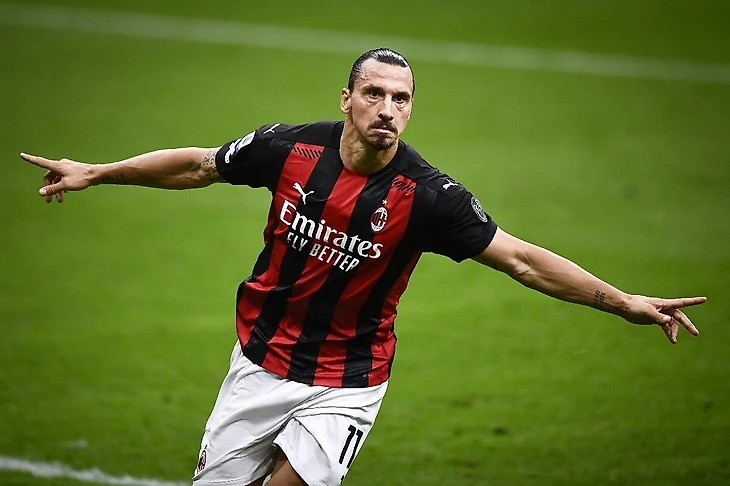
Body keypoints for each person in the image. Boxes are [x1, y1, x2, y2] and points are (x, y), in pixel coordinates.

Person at [21, 48, 705, 486]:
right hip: (259, 360)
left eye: (401, 99)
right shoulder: (290, 149)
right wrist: (99, 172)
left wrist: (624, 301)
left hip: (347, 381)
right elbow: (200, 164)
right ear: (346, 99)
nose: (388, 109)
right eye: (374, 93)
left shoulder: (429, 197)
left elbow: (522, 260)